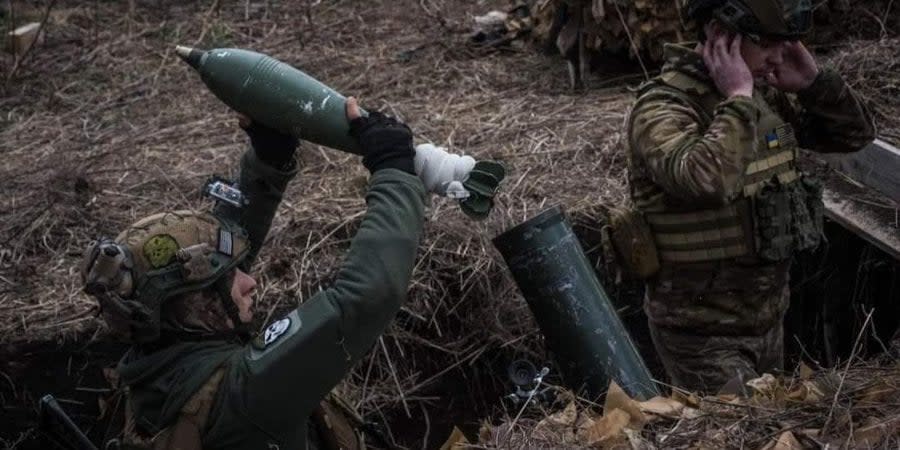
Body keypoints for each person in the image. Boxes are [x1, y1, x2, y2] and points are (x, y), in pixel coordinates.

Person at [81, 98, 426, 449]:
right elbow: (367, 295)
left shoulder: (154, 367)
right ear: (187, 306)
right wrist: (393, 170)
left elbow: (209, 269)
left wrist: (267, 162)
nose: (251, 281)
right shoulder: (245, 392)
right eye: (227, 281)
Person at [625, 0, 875, 393]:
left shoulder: (765, 96)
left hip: (769, 319)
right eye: (769, 43)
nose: (780, 55)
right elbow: (706, 181)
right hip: (700, 336)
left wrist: (814, 85)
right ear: (720, 35)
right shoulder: (663, 106)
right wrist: (738, 98)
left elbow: (853, 136)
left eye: (787, 42)